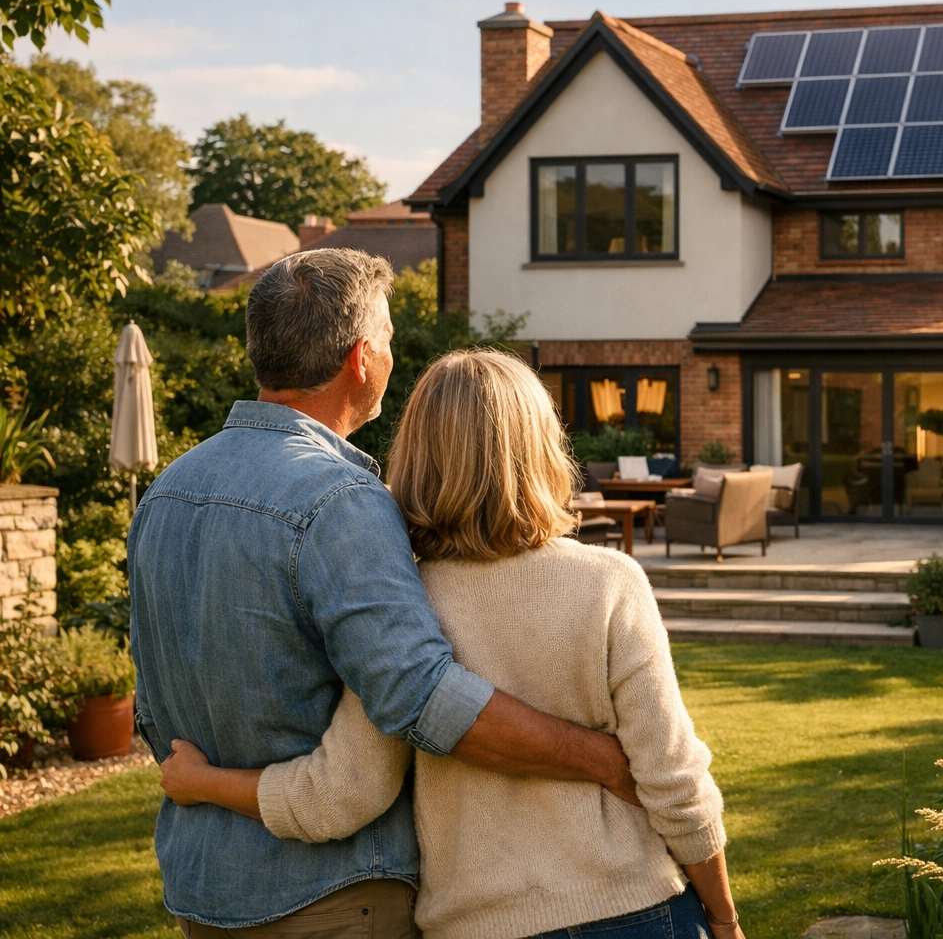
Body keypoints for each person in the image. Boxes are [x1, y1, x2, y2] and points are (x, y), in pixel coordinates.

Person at [130, 250, 636, 936]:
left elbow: (154, 700)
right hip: (331, 897)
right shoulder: (340, 499)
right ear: (362, 358)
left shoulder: (167, 491)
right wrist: (601, 758)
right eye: (390, 340)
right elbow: (420, 696)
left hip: (204, 891)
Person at [159, 349, 744, 939]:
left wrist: (204, 782)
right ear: (543, 448)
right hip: (636, 909)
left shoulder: (399, 601)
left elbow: (342, 794)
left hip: (472, 924)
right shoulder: (610, 583)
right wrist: (724, 917)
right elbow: (675, 781)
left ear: (417, 456)